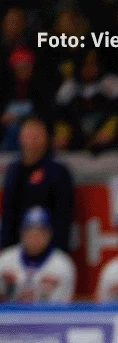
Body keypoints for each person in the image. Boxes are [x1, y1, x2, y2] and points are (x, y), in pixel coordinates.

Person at [1, 115, 74, 253]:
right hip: (16, 251)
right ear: (20, 138)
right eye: (27, 135)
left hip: (49, 250)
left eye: (36, 136)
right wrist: (5, 246)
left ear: (46, 139)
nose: (31, 141)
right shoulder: (14, 171)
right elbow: (8, 213)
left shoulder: (57, 172)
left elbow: (63, 216)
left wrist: (58, 251)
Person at [0, 204, 75, 302]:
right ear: (21, 233)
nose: (34, 237)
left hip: (48, 312)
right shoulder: (6, 259)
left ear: (49, 234)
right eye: (29, 231)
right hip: (10, 312)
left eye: (40, 232)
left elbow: (61, 306)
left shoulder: (62, 264)